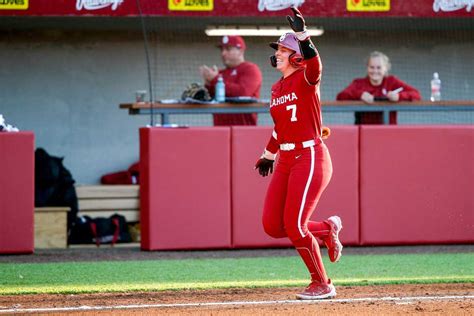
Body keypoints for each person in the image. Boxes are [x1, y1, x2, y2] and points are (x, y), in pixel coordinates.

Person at [254, 7, 342, 300]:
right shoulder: (277, 87)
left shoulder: (306, 77)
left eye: (282, 49)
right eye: (278, 49)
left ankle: (322, 283)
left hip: (310, 156)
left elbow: (316, 65)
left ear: (296, 56)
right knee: (272, 226)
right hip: (286, 158)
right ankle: (327, 230)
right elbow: (280, 128)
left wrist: (303, 35)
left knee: (294, 226)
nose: (277, 53)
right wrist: (268, 154)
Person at [336, 51, 421, 124]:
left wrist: (399, 96)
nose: (375, 71)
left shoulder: (392, 81)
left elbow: (416, 94)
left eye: (379, 68)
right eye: (372, 67)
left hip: (388, 130)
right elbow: (340, 96)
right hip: (365, 131)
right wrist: (360, 95)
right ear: (367, 68)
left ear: (386, 68)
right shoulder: (358, 83)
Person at [199, 35, 262, 126]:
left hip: (244, 129)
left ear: (240, 51)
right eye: (222, 50)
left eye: (228, 49)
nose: (223, 53)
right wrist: (208, 84)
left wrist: (215, 79)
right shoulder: (220, 73)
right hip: (221, 130)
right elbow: (209, 98)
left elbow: (243, 92)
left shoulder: (250, 69)